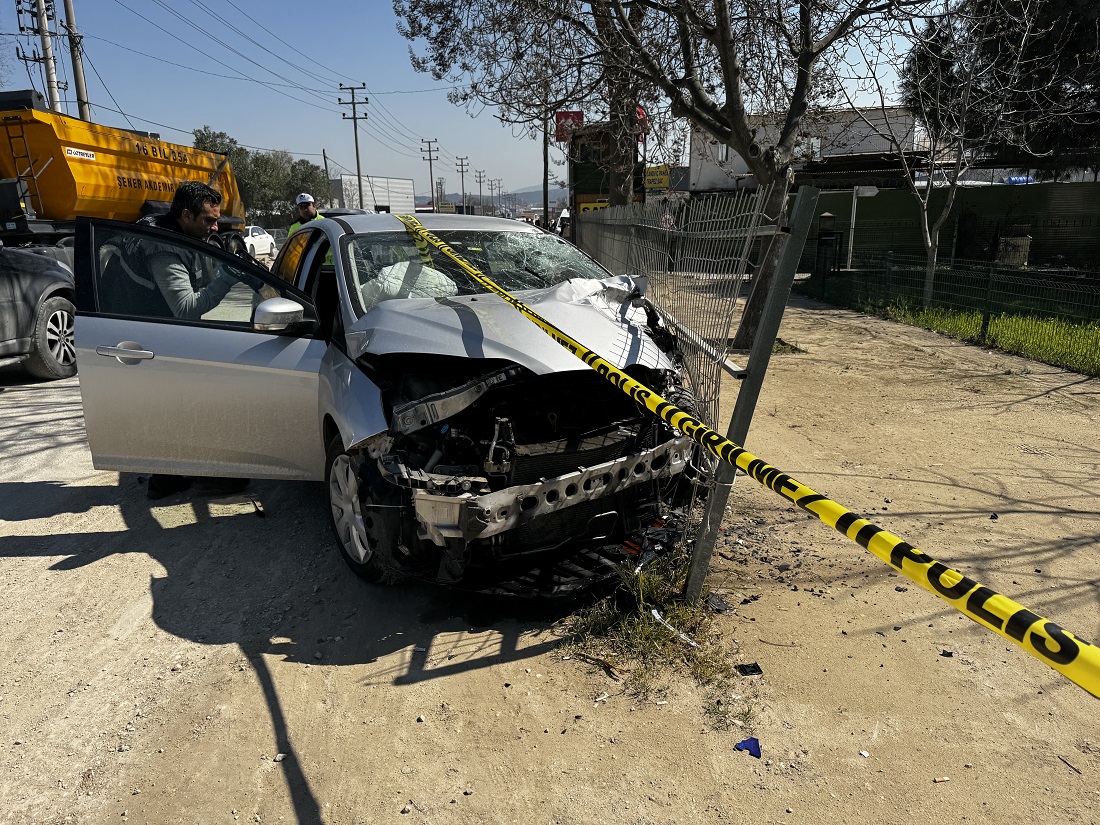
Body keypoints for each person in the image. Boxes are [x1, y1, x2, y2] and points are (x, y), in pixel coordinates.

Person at [137, 181, 253, 500]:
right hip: (148, 336)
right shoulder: (163, 247)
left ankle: (166, 479)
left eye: (217, 219)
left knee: (177, 405)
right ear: (186, 215)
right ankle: (210, 477)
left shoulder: (183, 235)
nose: (215, 226)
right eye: (208, 220)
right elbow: (185, 307)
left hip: (158, 332)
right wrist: (228, 280)